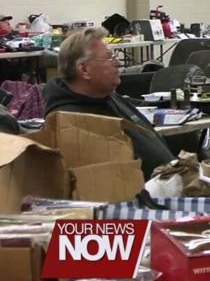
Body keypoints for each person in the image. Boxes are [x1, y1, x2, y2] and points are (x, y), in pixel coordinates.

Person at [43, 27, 175, 180]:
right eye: (109, 58)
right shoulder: (71, 120)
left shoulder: (107, 97)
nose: (118, 63)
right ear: (84, 69)